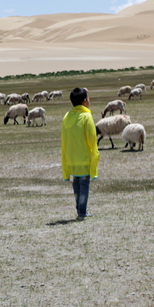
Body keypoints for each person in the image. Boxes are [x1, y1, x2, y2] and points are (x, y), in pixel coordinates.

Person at [60, 87, 99, 219]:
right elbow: (91, 137)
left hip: (71, 158)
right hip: (83, 157)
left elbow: (64, 137)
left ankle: (80, 210)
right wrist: (94, 152)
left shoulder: (67, 116)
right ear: (84, 101)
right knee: (84, 185)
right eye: (88, 98)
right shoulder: (86, 116)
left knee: (76, 185)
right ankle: (82, 212)